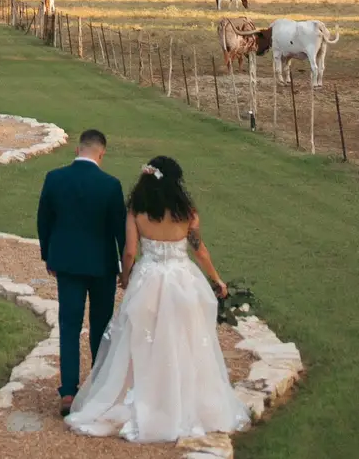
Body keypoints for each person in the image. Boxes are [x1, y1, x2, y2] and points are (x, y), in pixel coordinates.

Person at [65, 155, 251, 444]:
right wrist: (216, 280)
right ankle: (182, 402)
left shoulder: (136, 210)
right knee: (184, 340)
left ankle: (143, 397)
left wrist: (126, 277)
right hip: (183, 282)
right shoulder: (187, 212)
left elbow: (128, 251)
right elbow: (200, 250)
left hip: (148, 281)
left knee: (141, 341)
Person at [36, 129, 127, 416]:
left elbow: (44, 221)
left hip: (67, 263)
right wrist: (126, 268)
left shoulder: (54, 178)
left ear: (77, 150)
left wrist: (48, 255)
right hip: (101, 265)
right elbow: (120, 232)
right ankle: (98, 385)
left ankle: (68, 391)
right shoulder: (111, 185)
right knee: (101, 326)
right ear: (102, 153)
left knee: (70, 325)